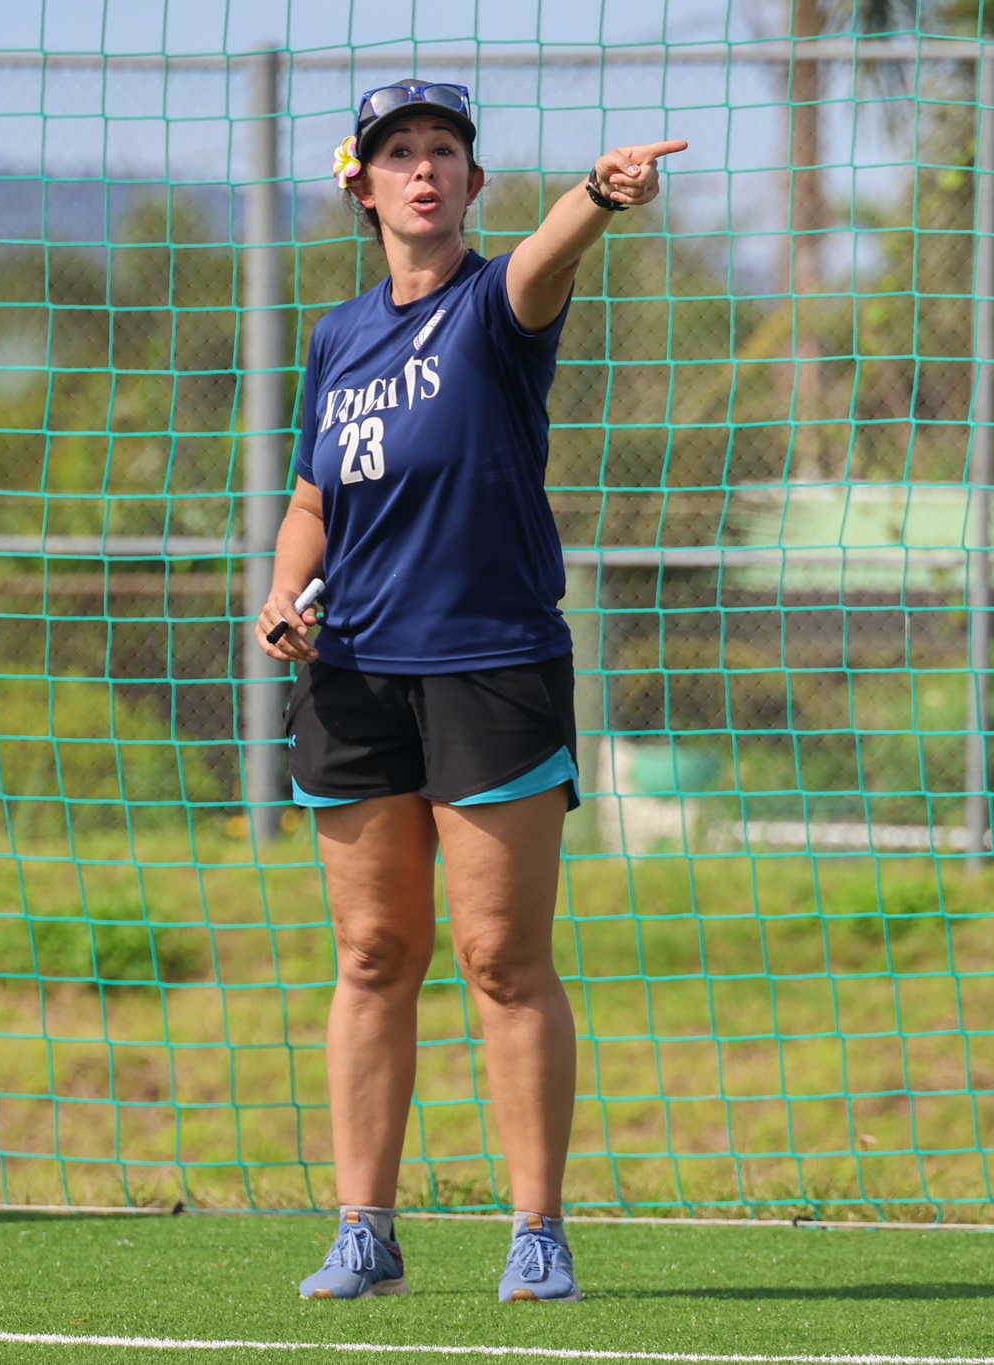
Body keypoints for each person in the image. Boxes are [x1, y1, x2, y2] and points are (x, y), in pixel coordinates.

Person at [256, 78, 683, 1303]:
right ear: (362, 183)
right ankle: (363, 1232)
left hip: (487, 668)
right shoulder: (337, 338)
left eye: (443, 150)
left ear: (470, 182)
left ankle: (535, 1229)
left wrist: (597, 195)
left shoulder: (495, 308)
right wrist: (288, 595)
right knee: (373, 953)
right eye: (399, 154)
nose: (423, 169)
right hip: (353, 681)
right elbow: (310, 501)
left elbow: (548, 257)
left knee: (500, 958)